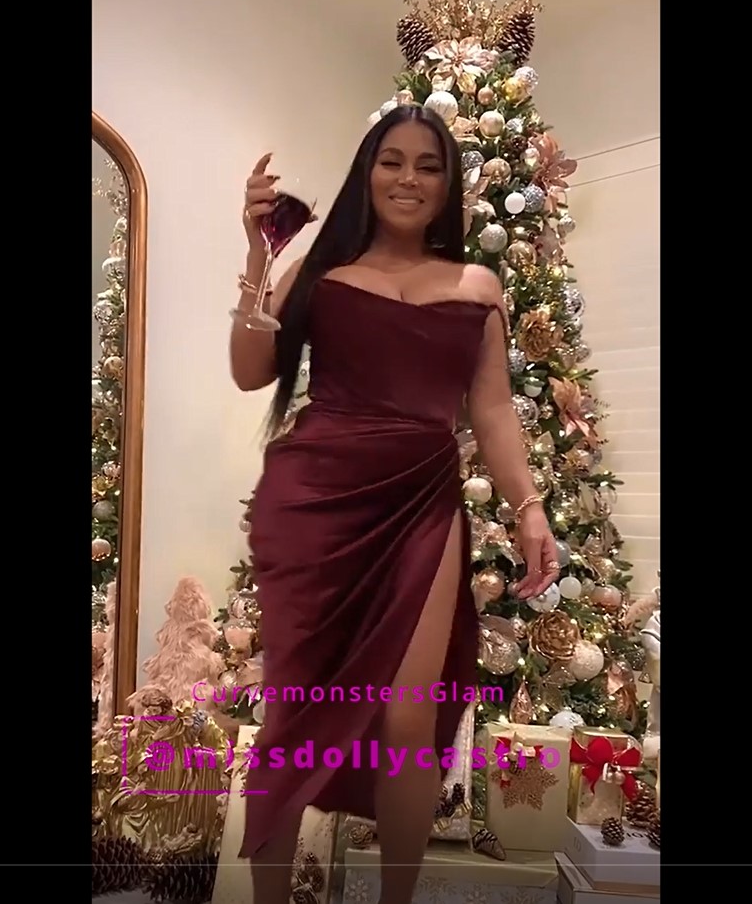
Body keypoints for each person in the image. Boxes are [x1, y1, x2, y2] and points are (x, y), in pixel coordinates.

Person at [228, 104, 559, 904]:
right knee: (294, 711)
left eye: (427, 165)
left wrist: (528, 506)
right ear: (367, 172)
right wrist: (257, 255)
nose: (408, 178)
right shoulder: (323, 272)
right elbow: (249, 371)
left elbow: (491, 408)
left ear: (447, 185)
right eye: (391, 161)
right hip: (313, 500)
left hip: (422, 501)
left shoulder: (477, 286)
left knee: (410, 717)